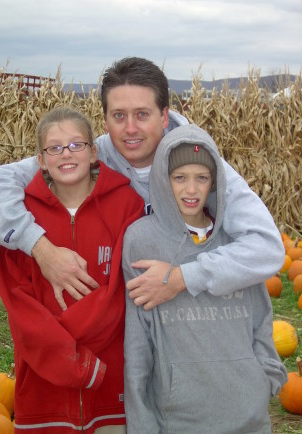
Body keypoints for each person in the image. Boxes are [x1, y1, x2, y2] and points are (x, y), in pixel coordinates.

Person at [0, 57, 284, 312]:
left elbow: (267, 248)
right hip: (120, 319)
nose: (130, 129)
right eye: (119, 115)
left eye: (142, 115)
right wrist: (42, 249)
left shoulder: (198, 164)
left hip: (194, 316)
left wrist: (182, 278)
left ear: (164, 116)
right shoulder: (91, 156)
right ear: (105, 118)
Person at [122, 124, 288, 434]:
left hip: (248, 417)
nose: (191, 189)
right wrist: (142, 421)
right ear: (162, 180)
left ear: (214, 182)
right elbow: (138, 342)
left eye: (202, 178)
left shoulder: (234, 241)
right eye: (179, 178)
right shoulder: (142, 240)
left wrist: (264, 379)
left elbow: (261, 317)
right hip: (179, 418)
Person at [0, 106, 145, 433]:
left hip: (109, 380)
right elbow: (19, 305)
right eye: (55, 147)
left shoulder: (126, 207)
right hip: (42, 384)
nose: (66, 154)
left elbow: (120, 293)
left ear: (93, 153)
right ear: (41, 160)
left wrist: (72, 347)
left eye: (77, 145)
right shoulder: (22, 219)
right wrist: (65, 354)